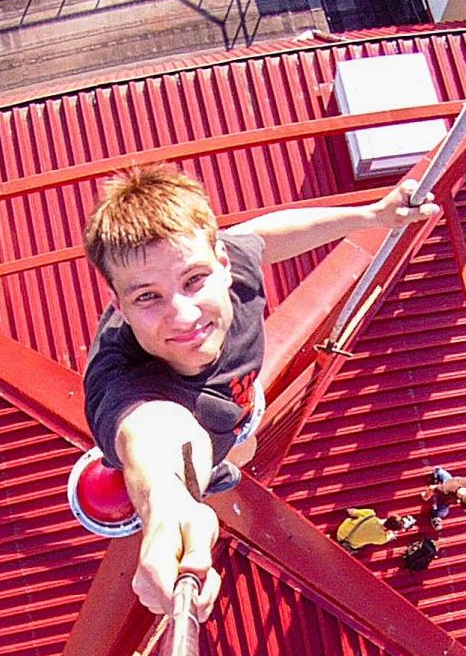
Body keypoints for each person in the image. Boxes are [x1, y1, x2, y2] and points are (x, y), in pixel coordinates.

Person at [82, 164, 438, 613]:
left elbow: (262, 238)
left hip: (239, 406)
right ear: (119, 305)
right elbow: (153, 431)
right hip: (200, 440)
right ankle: (213, 473)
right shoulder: (120, 378)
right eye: (147, 297)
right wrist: (168, 505)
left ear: (223, 264)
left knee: (241, 445)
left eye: (194, 281)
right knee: (225, 456)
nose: (185, 316)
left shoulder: (234, 268)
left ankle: (227, 456)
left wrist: (371, 215)